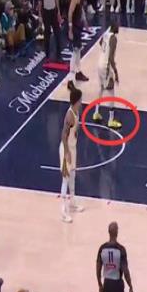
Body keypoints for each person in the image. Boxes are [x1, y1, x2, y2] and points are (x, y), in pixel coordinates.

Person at [96, 222, 134, 292]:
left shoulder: (102, 248)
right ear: (117, 232)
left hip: (107, 283)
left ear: (108, 232)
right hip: (117, 284)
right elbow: (125, 270)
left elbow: (98, 268)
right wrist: (130, 285)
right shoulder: (121, 249)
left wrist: (100, 284)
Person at [59, 87, 84, 223]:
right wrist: (67, 152)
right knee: (65, 178)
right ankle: (63, 212)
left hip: (73, 148)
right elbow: (64, 135)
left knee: (73, 175)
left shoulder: (76, 112)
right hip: (66, 149)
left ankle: (72, 201)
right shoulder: (69, 116)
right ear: (76, 101)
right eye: (80, 100)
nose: (82, 102)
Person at [92, 21, 122, 129]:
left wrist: (105, 50)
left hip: (99, 63)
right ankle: (111, 120)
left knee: (100, 88)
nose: (119, 28)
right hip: (106, 66)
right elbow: (111, 58)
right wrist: (116, 72)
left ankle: (96, 113)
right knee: (111, 91)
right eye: (118, 26)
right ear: (114, 27)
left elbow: (101, 43)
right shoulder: (113, 38)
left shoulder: (105, 34)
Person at [67, 0, 90, 87]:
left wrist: (85, 22)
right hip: (74, 26)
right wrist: (70, 29)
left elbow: (81, 9)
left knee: (78, 49)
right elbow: (70, 12)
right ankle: (70, 80)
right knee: (75, 51)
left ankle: (78, 72)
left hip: (79, 25)